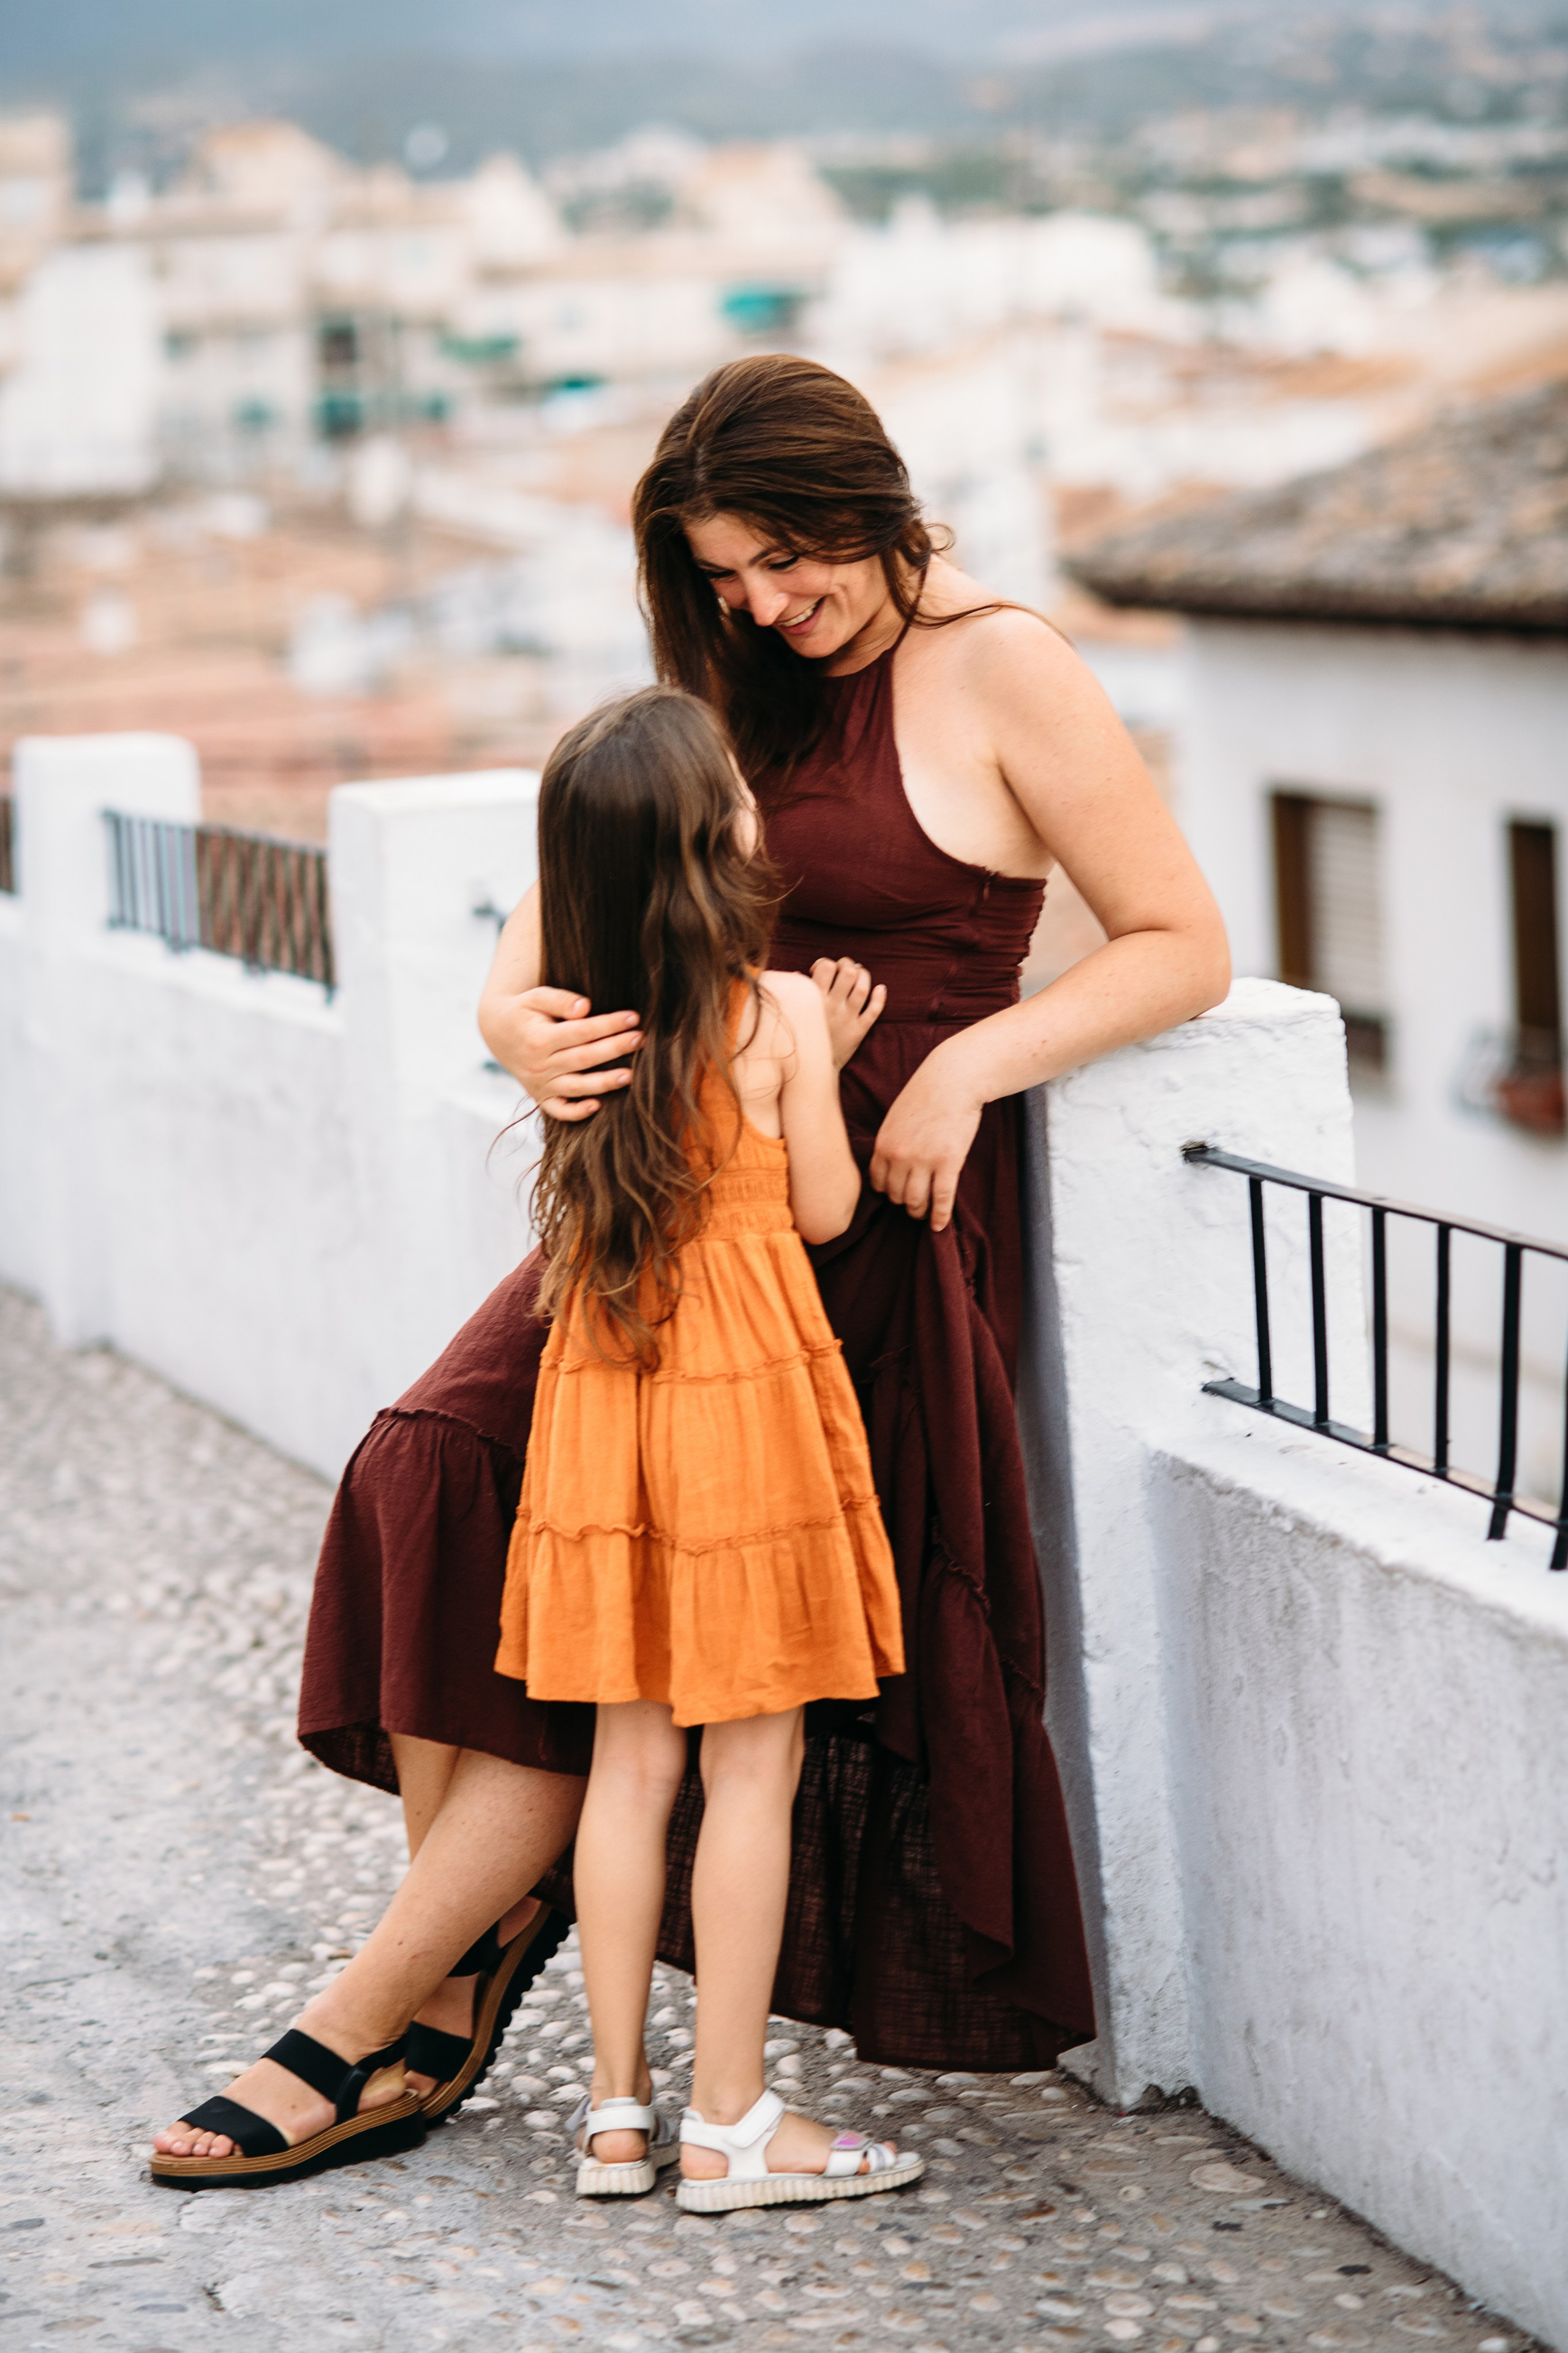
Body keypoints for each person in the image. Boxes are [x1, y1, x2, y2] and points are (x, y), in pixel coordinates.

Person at [151, 353, 1229, 2178]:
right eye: (726, 576)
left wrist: (966, 1061)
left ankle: (377, 2017)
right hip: (668, 1206)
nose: (760, 605)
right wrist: (513, 1026)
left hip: (856, 1237)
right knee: (443, 1463)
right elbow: (560, 914)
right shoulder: (732, 680)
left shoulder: (1004, 666)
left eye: (787, 563)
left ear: (874, 507)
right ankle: (466, 1959)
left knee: (646, 1638)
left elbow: (1180, 943)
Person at [499, 686, 919, 2207]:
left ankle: (616, 2117)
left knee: (630, 1757)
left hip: (606, 1383)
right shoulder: (776, 1011)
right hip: (745, 1397)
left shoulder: (567, 1028)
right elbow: (823, 1212)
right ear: (718, 838)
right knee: (751, 1763)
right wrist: (832, 1051)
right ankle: (732, 2121)